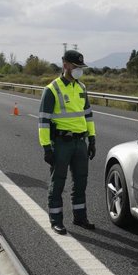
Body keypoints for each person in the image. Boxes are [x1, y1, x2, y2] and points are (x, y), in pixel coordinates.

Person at [38, 49, 97, 235]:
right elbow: (43, 121)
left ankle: (80, 217)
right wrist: (46, 147)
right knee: (58, 182)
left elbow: (88, 115)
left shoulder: (82, 88)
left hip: (80, 142)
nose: (79, 70)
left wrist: (92, 139)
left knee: (81, 182)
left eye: (81, 67)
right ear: (66, 65)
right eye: (76, 66)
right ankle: (56, 220)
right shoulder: (52, 90)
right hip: (61, 142)